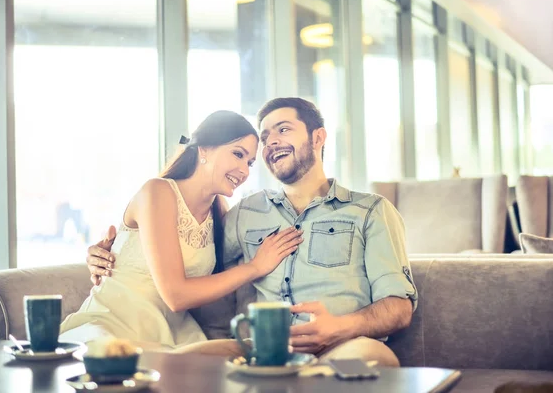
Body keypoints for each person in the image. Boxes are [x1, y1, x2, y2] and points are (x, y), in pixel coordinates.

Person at [87, 98, 418, 365]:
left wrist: (339, 328)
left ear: (318, 138)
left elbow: (399, 307)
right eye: (264, 137)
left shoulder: (371, 210)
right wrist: (104, 253)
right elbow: (179, 257)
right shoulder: (245, 214)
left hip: (343, 346)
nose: (270, 142)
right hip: (258, 350)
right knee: (177, 367)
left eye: (283, 129)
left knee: (369, 363)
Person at [59, 110, 303, 350]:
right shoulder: (157, 192)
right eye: (237, 154)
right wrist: (255, 268)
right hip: (112, 325)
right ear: (204, 149)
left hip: (174, 333)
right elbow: (176, 296)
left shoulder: (220, 211)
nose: (245, 171)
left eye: (249, 162)